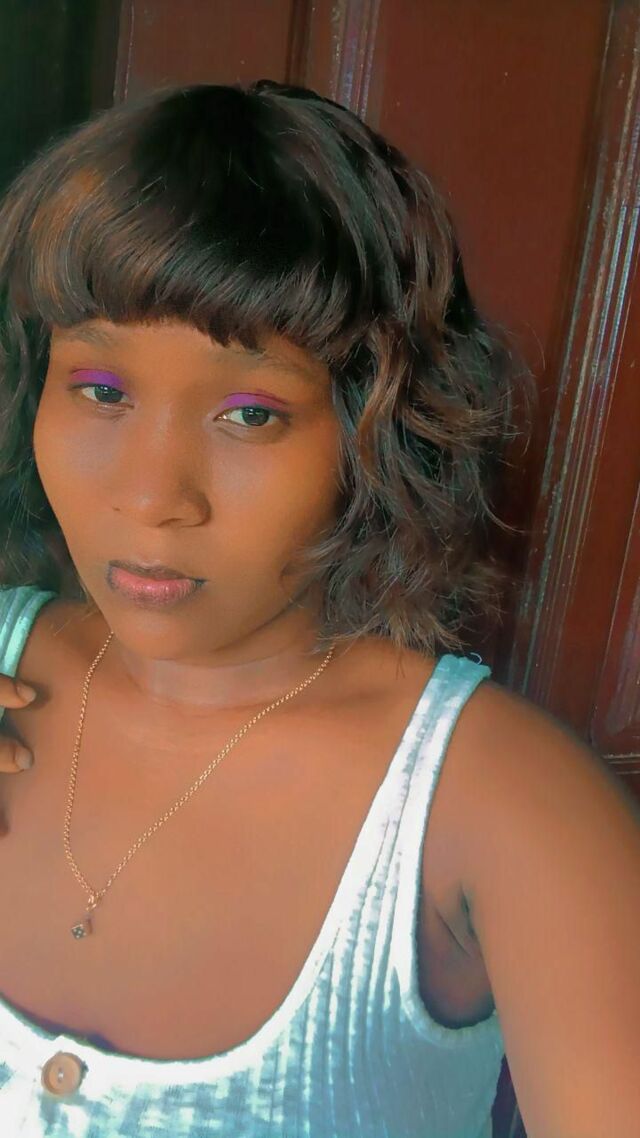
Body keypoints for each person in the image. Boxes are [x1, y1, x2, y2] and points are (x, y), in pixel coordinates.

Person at [0, 80, 637, 1138]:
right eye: (101, 391)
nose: (152, 497)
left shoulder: (504, 809)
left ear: (373, 429)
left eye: (250, 413)